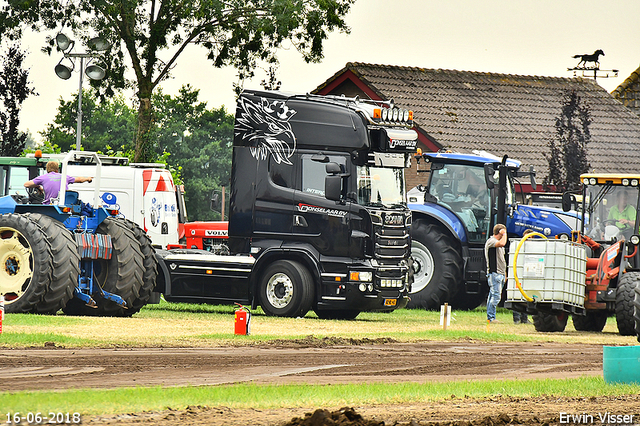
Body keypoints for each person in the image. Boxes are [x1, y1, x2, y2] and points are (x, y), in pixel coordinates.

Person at [24, 161, 93, 204]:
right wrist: (87, 179)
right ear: (57, 169)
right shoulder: (64, 177)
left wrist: (38, 186)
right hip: (64, 204)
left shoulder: (43, 177)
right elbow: (80, 179)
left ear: (47, 169)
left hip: (49, 205)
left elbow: (26, 184)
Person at [484, 223, 508, 323]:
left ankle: (491, 316)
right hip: (494, 274)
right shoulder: (491, 241)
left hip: (500, 274)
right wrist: (504, 233)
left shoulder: (498, 243)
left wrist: (505, 274)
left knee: (493, 295)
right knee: (496, 296)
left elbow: (502, 260)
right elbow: (502, 243)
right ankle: (491, 317)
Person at [512, 230, 533, 325]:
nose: (528, 240)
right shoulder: (518, 247)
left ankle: (524, 318)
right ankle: (516, 318)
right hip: (519, 274)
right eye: (526, 237)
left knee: (526, 296)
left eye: (530, 238)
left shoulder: (535, 248)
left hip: (529, 275)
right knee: (517, 296)